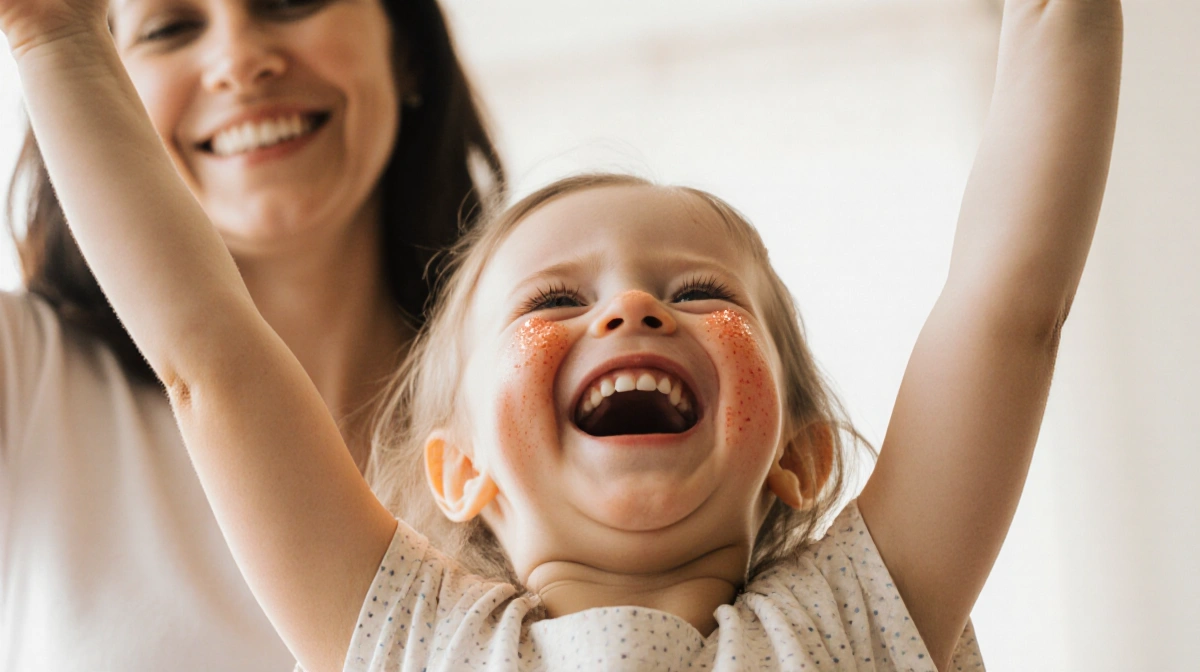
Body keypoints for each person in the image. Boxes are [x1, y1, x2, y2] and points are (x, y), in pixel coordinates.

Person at [0, 0, 1123, 669]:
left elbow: (1011, 307)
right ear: (457, 471)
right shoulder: (412, 642)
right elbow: (211, 359)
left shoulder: (862, 618)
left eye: (697, 292)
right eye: (551, 304)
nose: (631, 311)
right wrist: (54, 37)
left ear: (801, 452)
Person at [0, 0, 502, 668]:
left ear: (406, 50)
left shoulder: (543, 393)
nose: (238, 62)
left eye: (290, 2)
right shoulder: (22, 370)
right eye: (170, 29)